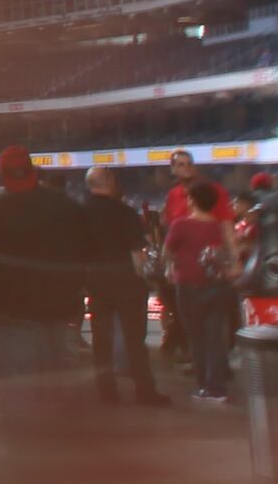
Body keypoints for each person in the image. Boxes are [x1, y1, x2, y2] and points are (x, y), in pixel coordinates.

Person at [0, 150, 92, 382]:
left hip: (14, 314)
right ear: (32, 169)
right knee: (61, 384)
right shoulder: (65, 204)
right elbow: (88, 250)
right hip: (62, 309)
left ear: (2, 175)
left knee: (24, 390)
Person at [74, 166, 164, 405]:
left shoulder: (81, 213)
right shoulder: (125, 212)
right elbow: (137, 252)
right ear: (110, 181)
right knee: (134, 340)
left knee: (101, 340)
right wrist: (143, 278)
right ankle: (145, 391)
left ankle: (107, 392)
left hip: (97, 282)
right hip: (126, 282)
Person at [161, 178, 242, 404]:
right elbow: (228, 251)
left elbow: (167, 252)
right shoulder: (218, 226)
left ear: (192, 200)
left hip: (188, 286)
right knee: (215, 338)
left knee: (196, 339)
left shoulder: (181, 225)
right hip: (217, 285)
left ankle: (203, 386)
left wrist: (169, 268)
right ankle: (217, 388)